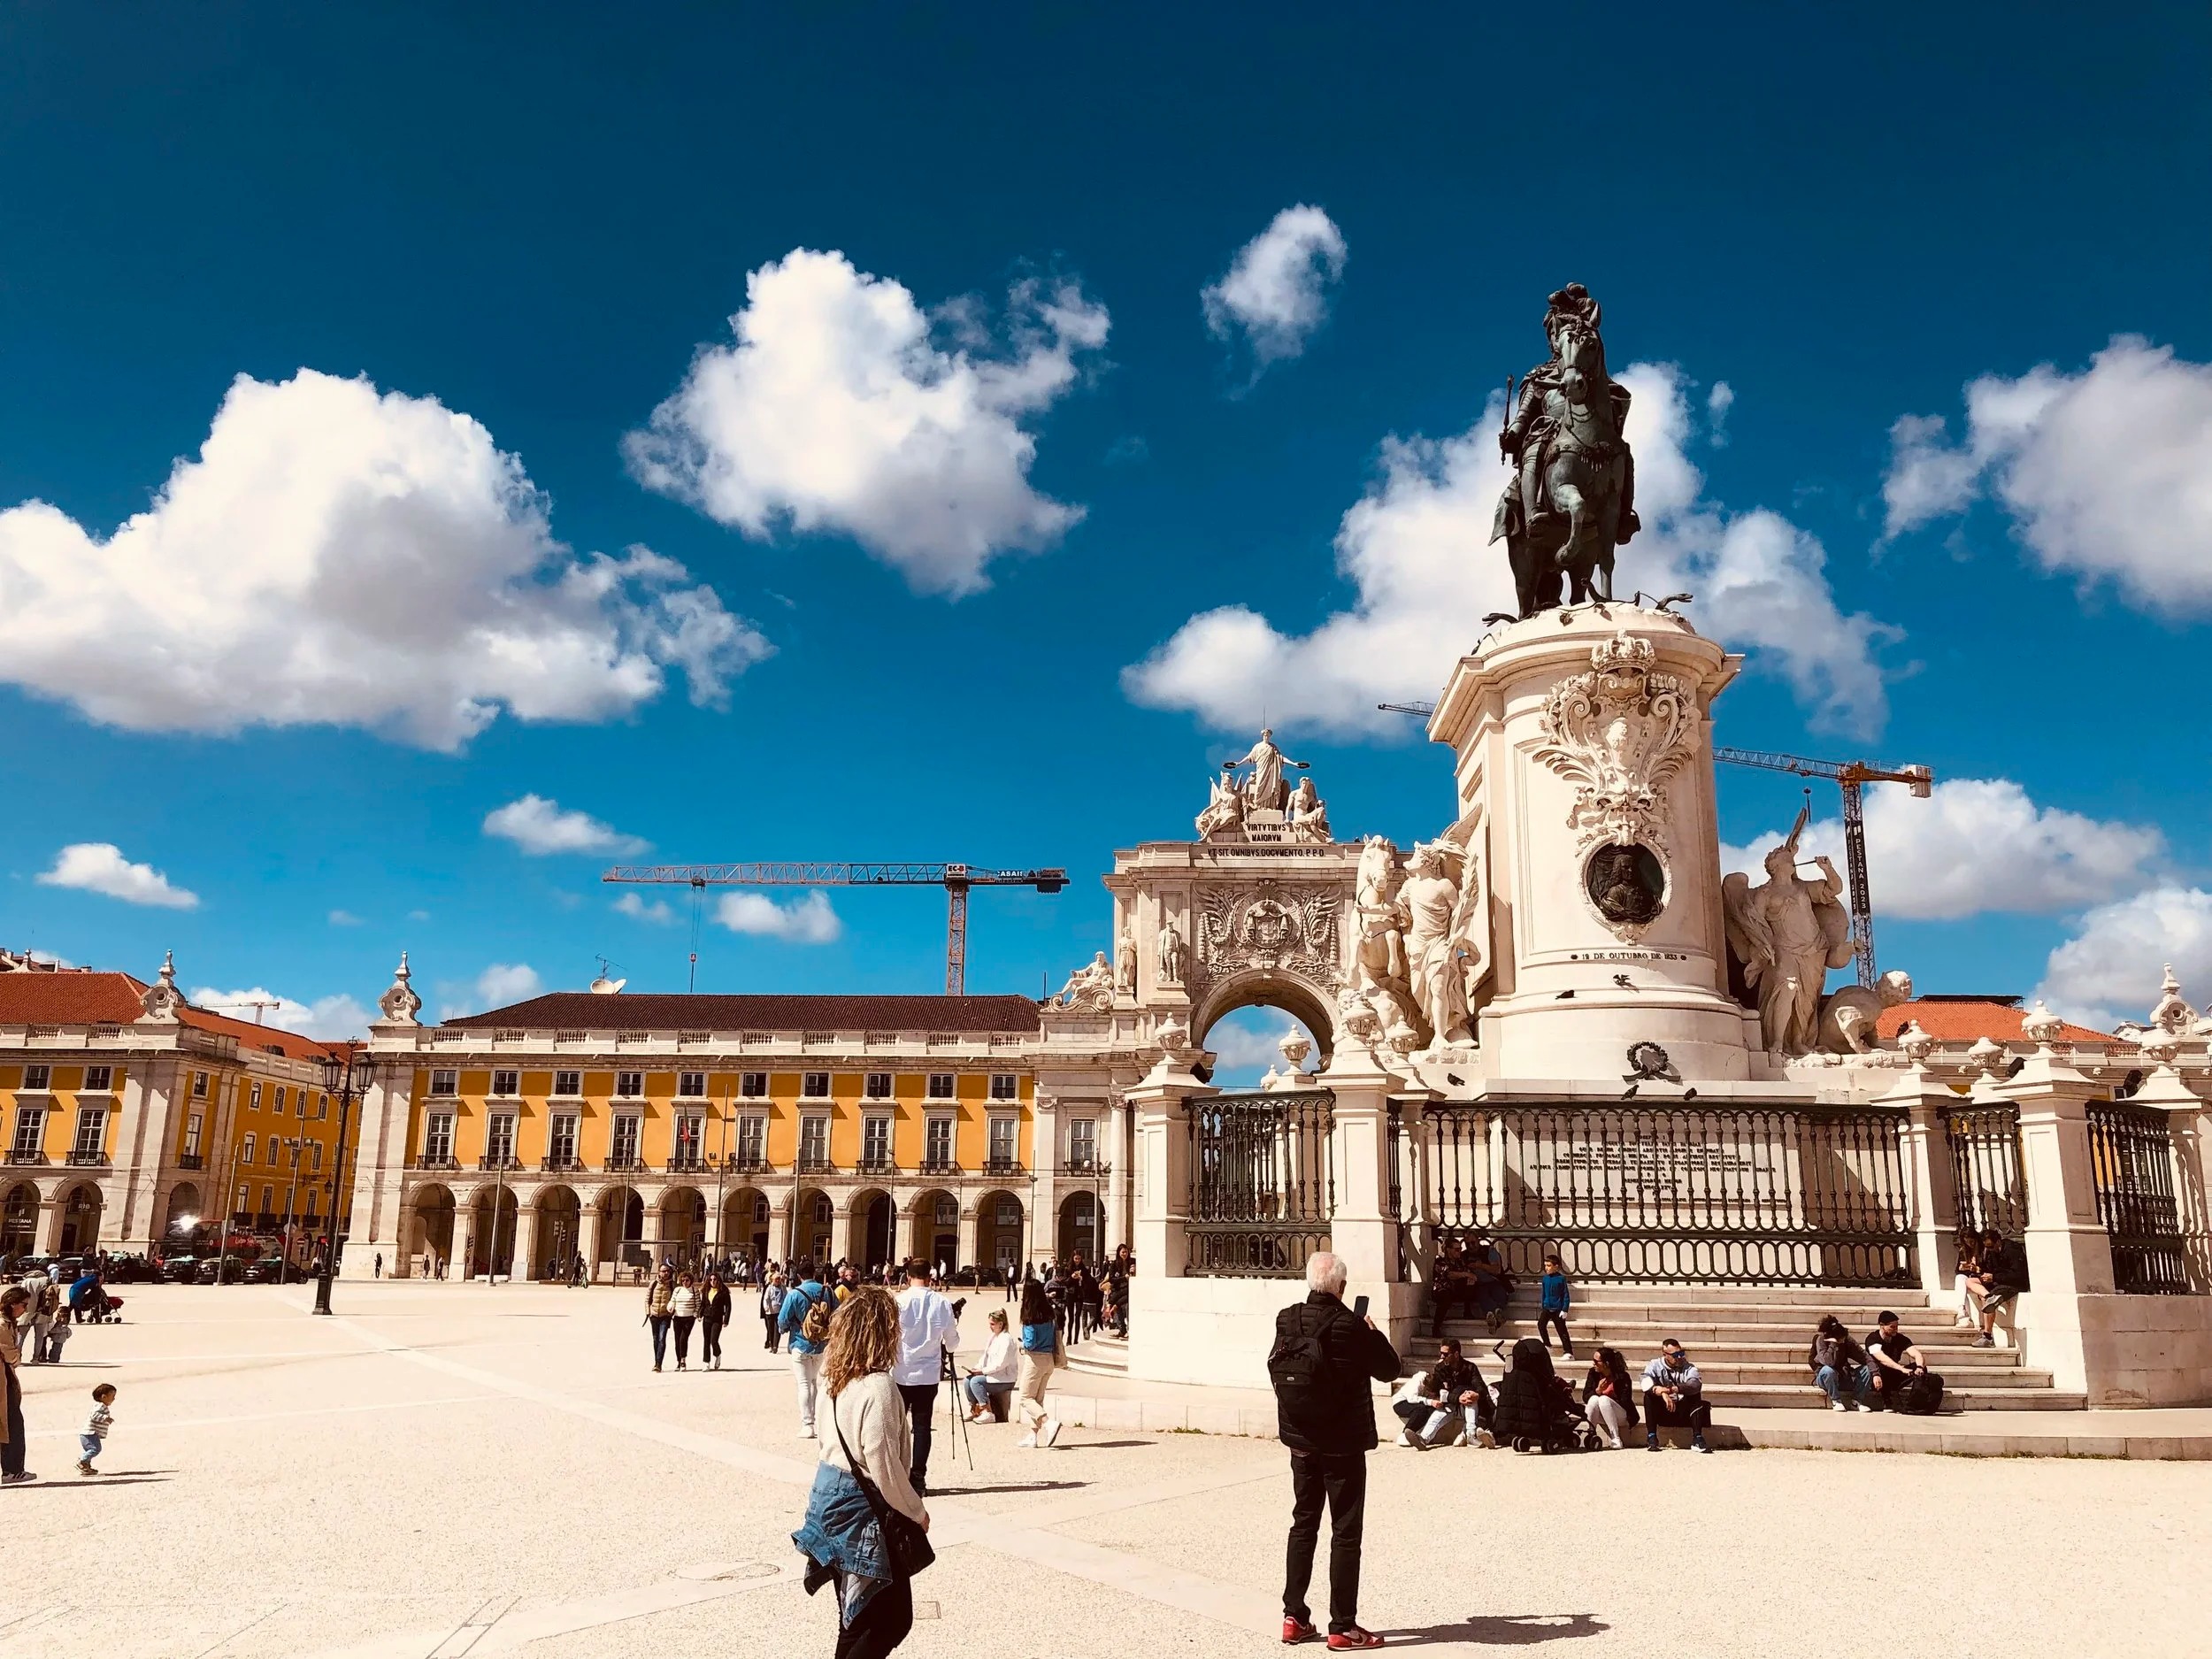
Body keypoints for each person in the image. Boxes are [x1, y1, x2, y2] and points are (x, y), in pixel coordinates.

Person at [794, 1285, 933, 1659]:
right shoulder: (878, 1386)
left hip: (827, 1496)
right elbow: (884, 1465)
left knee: (855, 1618)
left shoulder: (831, 1377)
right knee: (894, 1619)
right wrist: (916, 1511)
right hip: (863, 1507)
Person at [1271, 1250, 1399, 1649]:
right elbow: (1390, 1369)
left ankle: (1294, 1616)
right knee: (1345, 1531)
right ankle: (1343, 1626)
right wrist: (1372, 1333)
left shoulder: (1286, 1318)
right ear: (1341, 1286)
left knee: (1303, 1523)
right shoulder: (1351, 1325)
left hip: (1301, 1440)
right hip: (1342, 1442)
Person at [891, 1260, 961, 1494]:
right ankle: (918, 1478)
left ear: (907, 1276)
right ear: (931, 1276)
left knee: (896, 1427)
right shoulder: (942, 1303)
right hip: (928, 1374)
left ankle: (895, 1476)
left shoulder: (898, 1302)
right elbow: (952, 1343)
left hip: (902, 1371)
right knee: (922, 1427)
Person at [781, 1261, 834, 1439]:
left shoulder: (794, 1294)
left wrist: (786, 1328)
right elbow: (838, 1313)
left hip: (800, 1343)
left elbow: (782, 1320)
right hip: (821, 1344)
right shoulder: (827, 1291)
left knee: (803, 1384)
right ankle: (818, 1421)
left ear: (798, 1276)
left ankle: (807, 1424)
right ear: (814, 1273)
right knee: (814, 1383)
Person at [1409, 1338, 1493, 1449]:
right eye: (1441, 1353)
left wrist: (1475, 1394)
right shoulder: (1440, 1368)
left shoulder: (1470, 1367)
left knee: (1470, 1397)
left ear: (1456, 1354)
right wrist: (1457, 1398)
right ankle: (1423, 1439)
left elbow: (1480, 1386)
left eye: (1445, 1354)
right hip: (1449, 1403)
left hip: (1467, 1406)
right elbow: (1438, 1392)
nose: (1442, 1356)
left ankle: (1471, 1435)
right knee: (1439, 1414)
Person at [1013, 1278, 1064, 1448]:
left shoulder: (1030, 1316)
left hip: (1035, 1360)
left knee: (1025, 1398)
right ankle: (1033, 1435)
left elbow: (1030, 1343)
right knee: (1037, 1399)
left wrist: (1021, 1345)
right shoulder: (1049, 1313)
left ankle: (1048, 1423)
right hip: (1049, 1358)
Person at [1641, 1339, 1713, 1452]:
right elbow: (1645, 1383)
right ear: (1665, 1355)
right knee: (1649, 1397)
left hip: (1683, 1411)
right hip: (1664, 1410)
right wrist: (1663, 1393)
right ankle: (1652, 1437)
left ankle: (1697, 1438)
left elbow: (1695, 1384)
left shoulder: (1688, 1367)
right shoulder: (1654, 1365)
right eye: (1675, 1355)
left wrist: (1670, 1390)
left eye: (1681, 1353)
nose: (1679, 1357)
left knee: (1695, 1393)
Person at [1972, 1228, 2030, 1348]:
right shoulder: (1991, 1252)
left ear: (1998, 1242)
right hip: (1997, 1281)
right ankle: (1988, 1296)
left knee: (1989, 1300)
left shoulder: (2012, 1251)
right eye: (1987, 1247)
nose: (1989, 1249)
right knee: (1970, 1281)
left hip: (2012, 1284)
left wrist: (1994, 1277)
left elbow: (2018, 1275)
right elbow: (1990, 1269)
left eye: (1991, 1246)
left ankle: (1987, 1336)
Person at [964, 1309, 1019, 1422]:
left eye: (993, 1324)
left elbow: (1001, 1363)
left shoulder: (1007, 1340)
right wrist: (977, 1368)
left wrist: (983, 1371)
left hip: (1005, 1379)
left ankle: (987, 1411)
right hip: (993, 1375)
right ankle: (975, 1409)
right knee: (967, 1380)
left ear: (1001, 1324)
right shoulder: (993, 1337)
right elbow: (985, 1357)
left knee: (976, 1382)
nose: (990, 1327)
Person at [1810, 1315, 1873, 1412]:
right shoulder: (1820, 1340)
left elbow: (1864, 1356)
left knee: (1867, 1369)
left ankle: (1856, 1401)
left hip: (1843, 1376)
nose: (1843, 1340)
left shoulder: (1847, 1340)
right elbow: (1828, 1362)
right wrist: (1833, 1345)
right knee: (1828, 1370)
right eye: (1841, 1339)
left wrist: (1876, 1373)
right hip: (1826, 1378)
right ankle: (1836, 1401)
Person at [1580, 1348, 1639, 1448]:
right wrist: (1598, 1391)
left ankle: (1615, 1438)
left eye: (1596, 1361)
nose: (1593, 1364)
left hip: (1621, 1415)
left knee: (1603, 1400)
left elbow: (1625, 1401)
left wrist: (1609, 1398)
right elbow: (1585, 1397)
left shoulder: (1622, 1377)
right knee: (1594, 1399)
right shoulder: (1593, 1373)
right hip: (1602, 1414)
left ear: (1606, 1364)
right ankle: (1591, 1434)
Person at [1864, 1311, 1924, 1408]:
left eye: (1897, 1326)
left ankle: (1916, 1401)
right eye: (1892, 1327)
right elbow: (1882, 1358)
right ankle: (1887, 1400)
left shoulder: (1900, 1338)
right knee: (1883, 1367)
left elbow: (1916, 1354)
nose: (1895, 1330)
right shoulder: (1872, 1339)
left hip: (1894, 1374)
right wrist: (1901, 1368)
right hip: (1877, 1377)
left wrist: (1919, 1367)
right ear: (1882, 1326)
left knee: (1921, 1369)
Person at [1, 1286, 30, 1484]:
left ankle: (12, 1469)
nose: (25, 1309)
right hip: (3, 1378)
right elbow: (10, 1354)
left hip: (5, 1376)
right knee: (12, 1424)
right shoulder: (3, 1325)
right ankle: (12, 1470)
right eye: (23, 1305)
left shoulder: (8, 1323)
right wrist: (16, 1357)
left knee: (11, 1423)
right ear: (13, 1304)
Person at [1537, 1255, 1575, 1359]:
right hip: (1547, 1308)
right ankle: (1547, 1344)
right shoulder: (1545, 1279)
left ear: (1556, 1266)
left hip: (1558, 1309)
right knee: (1541, 1325)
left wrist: (1565, 1309)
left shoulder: (1561, 1279)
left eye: (1549, 1266)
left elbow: (1565, 1295)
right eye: (1545, 1265)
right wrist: (1543, 1305)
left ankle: (1568, 1352)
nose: (1546, 1268)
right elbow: (1544, 1294)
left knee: (1562, 1330)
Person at [77, 1382, 116, 1477]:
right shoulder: (101, 1406)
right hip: (90, 1433)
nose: (114, 1399)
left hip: (88, 1434)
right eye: (112, 1396)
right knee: (95, 1449)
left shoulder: (99, 1405)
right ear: (104, 1397)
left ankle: (86, 1467)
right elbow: (94, 1415)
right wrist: (105, 1418)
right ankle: (82, 1462)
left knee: (91, 1450)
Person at [644, 1263, 676, 1373]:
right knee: (655, 1339)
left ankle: (659, 1364)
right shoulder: (653, 1284)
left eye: (667, 1271)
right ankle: (656, 1360)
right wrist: (648, 1313)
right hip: (654, 1315)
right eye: (663, 1271)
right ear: (659, 1272)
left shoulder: (672, 1285)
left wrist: (671, 1314)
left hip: (665, 1316)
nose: (666, 1273)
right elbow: (647, 1299)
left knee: (662, 1338)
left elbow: (675, 1300)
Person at [1952, 1233, 1985, 1329]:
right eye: (1967, 1242)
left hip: (1980, 1277)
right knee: (1960, 1279)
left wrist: (1976, 1269)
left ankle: (1965, 1319)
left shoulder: (1983, 1251)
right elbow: (1957, 1271)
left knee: (1963, 1283)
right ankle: (1962, 1310)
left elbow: (1987, 1268)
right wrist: (1963, 1268)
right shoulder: (1963, 1251)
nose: (1970, 1244)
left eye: (1972, 1242)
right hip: (1969, 1277)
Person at [670, 1271, 700, 1371]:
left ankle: (683, 1360)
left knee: (683, 1339)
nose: (685, 1282)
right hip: (677, 1317)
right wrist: (670, 1307)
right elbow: (672, 1301)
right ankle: (678, 1361)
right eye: (683, 1280)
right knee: (677, 1340)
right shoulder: (677, 1290)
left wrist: (695, 1315)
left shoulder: (695, 1291)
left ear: (691, 1281)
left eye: (687, 1280)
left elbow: (698, 1304)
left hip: (689, 1318)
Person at [702, 1271, 732, 1371]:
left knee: (713, 1340)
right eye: (711, 1280)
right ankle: (706, 1362)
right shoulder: (706, 1290)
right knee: (706, 1341)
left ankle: (718, 1354)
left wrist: (726, 1320)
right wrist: (700, 1314)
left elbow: (728, 1306)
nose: (713, 1282)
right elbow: (703, 1304)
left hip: (717, 1319)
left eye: (715, 1279)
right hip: (707, 1318)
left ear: (718, 1280)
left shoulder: (723, 1291)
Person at [763, 1270, 790, 1351]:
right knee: (770, 1329)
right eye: (776, 1279)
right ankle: (771, 1344)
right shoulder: (769, 1288)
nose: (778, 1281)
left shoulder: (783, 1288)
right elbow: (766, 1299)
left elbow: (786, 1297)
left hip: (779, 1311)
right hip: (770, 1311)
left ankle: (775, 1346)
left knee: (777, 1329)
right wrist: (766, 1308)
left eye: (779, 1279)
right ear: (772, 1280)